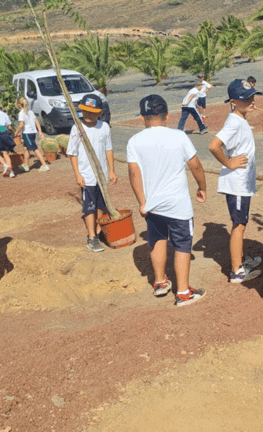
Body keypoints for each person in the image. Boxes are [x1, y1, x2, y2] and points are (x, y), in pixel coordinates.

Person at [127, 94, 207, 306]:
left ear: (142, 118)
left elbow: (134, 174)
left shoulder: (134, 141)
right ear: (168, 116)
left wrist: (142, 202)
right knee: (182, 245)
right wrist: (202, 187)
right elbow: (196, 165)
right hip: (178, 205)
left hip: (153, 205)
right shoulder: (179, 137)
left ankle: (160, 282)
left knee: (157, 240)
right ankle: (183, 293)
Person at [208, 79, 263, 283]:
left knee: (242, 224)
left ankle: (240, 260)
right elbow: (214, 145)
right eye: (245, 98)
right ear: (233, 101)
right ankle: (236, 271)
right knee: (239, 225)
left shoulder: (240, 119)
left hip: (242, 183)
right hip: (237, 183)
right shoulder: (233, 121)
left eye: (251, 96)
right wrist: (228, 163)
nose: (251, 100)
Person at [66, 94, 118, 253]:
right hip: (87, 176)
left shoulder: (104, 127)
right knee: (89, 207)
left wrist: (112, 171)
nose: (89, 115)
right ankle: (91, 237)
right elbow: (72, 153)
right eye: (86, 112)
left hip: (101, 176)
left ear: (99, 113)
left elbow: (108, 150)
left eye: (93, 112)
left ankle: (98, 231)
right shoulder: (77, 128)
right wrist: (77, 174)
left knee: (101, 206)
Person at [14, 97, 50, 172]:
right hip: (33, 132)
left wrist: (16, 133)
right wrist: (40, 131)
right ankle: (26, 165)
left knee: (34, 149)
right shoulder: (30, 112)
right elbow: (36, 121)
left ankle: (45, 165)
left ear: (18, 104)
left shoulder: (21, 113)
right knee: (25, 148)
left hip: (27, 133)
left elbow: (21, 125)